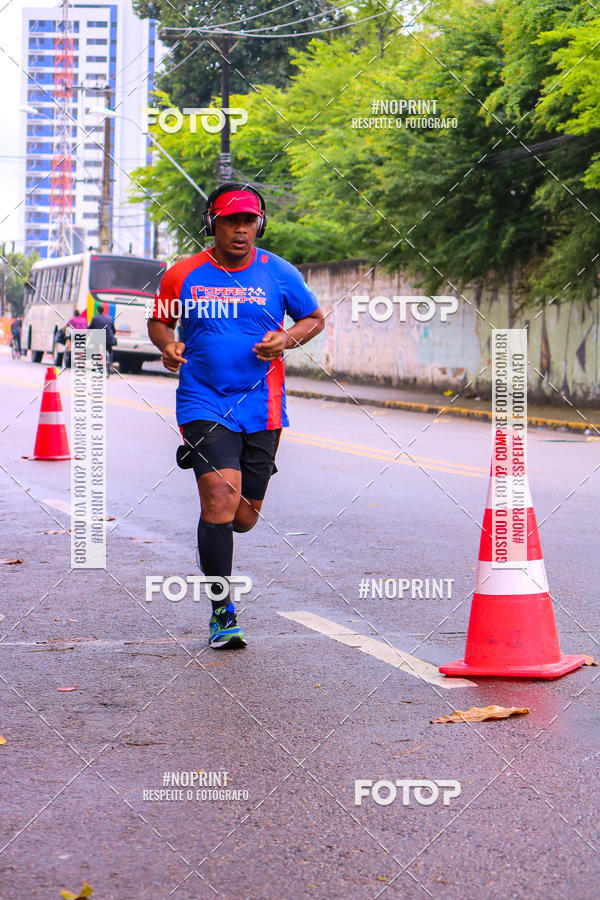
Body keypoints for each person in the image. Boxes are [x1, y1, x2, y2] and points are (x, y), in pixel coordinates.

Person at [148, 182, 325, 649]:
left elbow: (313, 318)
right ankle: (222, 612)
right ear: (213, 223)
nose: (241, 229)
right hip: (203, 402)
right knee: (219, 503)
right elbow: (160, 320)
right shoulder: (183, 274)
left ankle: (252, 474)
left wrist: (286, 339)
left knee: (244, 518)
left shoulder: (279, 273)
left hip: (263, 405)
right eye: (231, 220)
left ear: (259, 224)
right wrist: (168, 345)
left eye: (249, 221)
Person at [88, 303, 116, 377]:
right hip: (109, 338)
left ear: (97, 311)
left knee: (96, 351)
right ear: (103, 311)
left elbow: (90, 328)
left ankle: (98, 367)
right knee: (109, 352)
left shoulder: (95, 318)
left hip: (99, 338)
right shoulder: (109, 318)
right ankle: (110, 366)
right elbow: (113, 329)